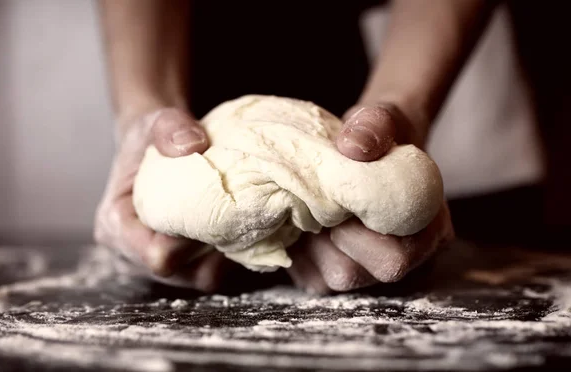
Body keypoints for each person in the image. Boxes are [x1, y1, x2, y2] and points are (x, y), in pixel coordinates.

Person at [93, 0, 531, 293]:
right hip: (208, 62)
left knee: (465, 273)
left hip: (419, 42)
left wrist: (407, 104)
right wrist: (145, 108)